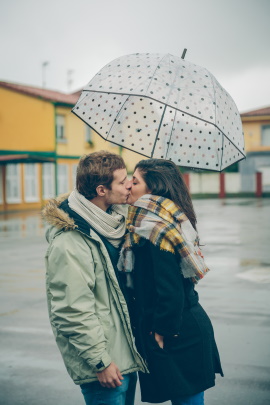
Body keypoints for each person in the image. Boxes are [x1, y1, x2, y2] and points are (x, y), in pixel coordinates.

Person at [42, 151, 147, 405]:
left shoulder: (114, 222)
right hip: (103, 366)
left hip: (124, 355)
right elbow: (71, 310)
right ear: (101, 190)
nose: (129, 185)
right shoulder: (71, 241)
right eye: (122, 181)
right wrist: (100, 361)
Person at [118, 159, 224, 405]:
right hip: (175, 328)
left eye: (135, 181)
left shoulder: (156, 229)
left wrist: (163, 331)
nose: (129, 186)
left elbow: (171, 290)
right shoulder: (146, 222)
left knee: (188, 399)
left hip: (178, 333)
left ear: (152, 188)